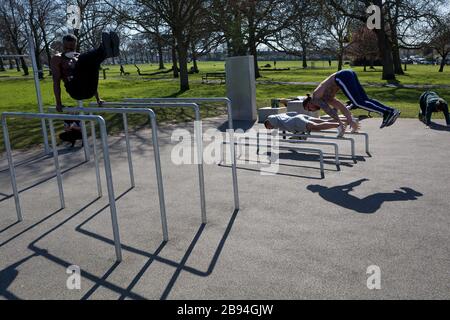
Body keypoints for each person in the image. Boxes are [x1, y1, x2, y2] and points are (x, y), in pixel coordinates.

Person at [302, 69, 401, 130]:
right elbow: (342, 108)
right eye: (310, 110)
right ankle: (390, 111)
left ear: (309, 102)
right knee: (363, 100)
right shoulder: (328, 98)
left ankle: (387, 113)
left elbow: (329, 111)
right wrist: (350, 120)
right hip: (347, 74)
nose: (311, 110)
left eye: (309, 108)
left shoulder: (315, 97)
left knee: (358, 102)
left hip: (341, 77)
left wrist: (340, 124)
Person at [50, 32, 120, 112]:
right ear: (63, 45)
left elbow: (91, 76)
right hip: (75, 91)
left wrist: (98, 99)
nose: (68, 50)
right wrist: (58, 103)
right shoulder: (57, 59)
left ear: (75, 46)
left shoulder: (80, 56)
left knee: (90, 60)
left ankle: (107, 51)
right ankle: (103, 50)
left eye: (71, 48)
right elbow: (56, 82)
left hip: (90, 91)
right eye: (66, 48)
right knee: (84, 58)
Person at [264, 112, 359, 138]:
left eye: (269, 127)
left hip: (297, 122)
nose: (270, 128)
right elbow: (292, 112)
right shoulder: (280, 117)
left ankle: (338, 125)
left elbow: (286, 126)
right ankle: (350, 120)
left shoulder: (272, 118)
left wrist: (296, 132)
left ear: (267, 123)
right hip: (299, 117)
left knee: (316, 127)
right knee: (320, 121)